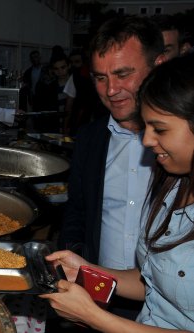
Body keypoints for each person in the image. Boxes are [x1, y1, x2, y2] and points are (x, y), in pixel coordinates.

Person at [41, 54, 194, 332]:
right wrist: (89, 270)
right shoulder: (174, 186)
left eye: (159, 129)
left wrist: (95, 317)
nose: (147, 140)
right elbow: (152, 282)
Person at [57, 15, 166, 319]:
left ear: (158, 66)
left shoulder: (182, 145)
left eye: (123, 74)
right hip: (99, 299)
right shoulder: (90, 139)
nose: (111, 89)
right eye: (100, 78)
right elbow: (77, 212)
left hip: (169, 307)